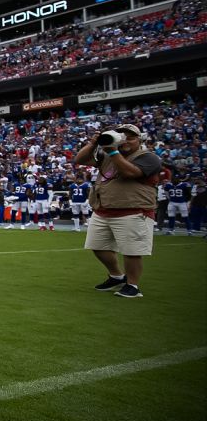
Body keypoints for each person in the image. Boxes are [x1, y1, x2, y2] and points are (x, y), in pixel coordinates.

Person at [74, 124, 163, 298]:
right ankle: (116, 276)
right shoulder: (107, 154)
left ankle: (133, 285)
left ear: (140, 140)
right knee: (97, 246)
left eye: (131, 137)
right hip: (104, 208)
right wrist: (94, 144)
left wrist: (114, 152)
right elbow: (80, 160)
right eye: (122, 136)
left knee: (131, 251)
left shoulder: (148, 157)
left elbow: (130, 173)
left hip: (133, 209)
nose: (126, 140)